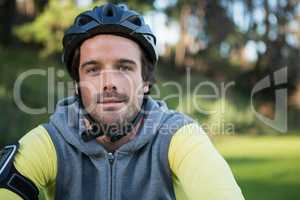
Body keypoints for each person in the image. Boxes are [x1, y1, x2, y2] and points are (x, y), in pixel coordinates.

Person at [0, 3, 245, 200]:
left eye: (124, 67)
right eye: (93, 70)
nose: (109, 82)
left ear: (146, 80)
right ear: (77, 84)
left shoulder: (178, 137)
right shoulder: (50, 143)